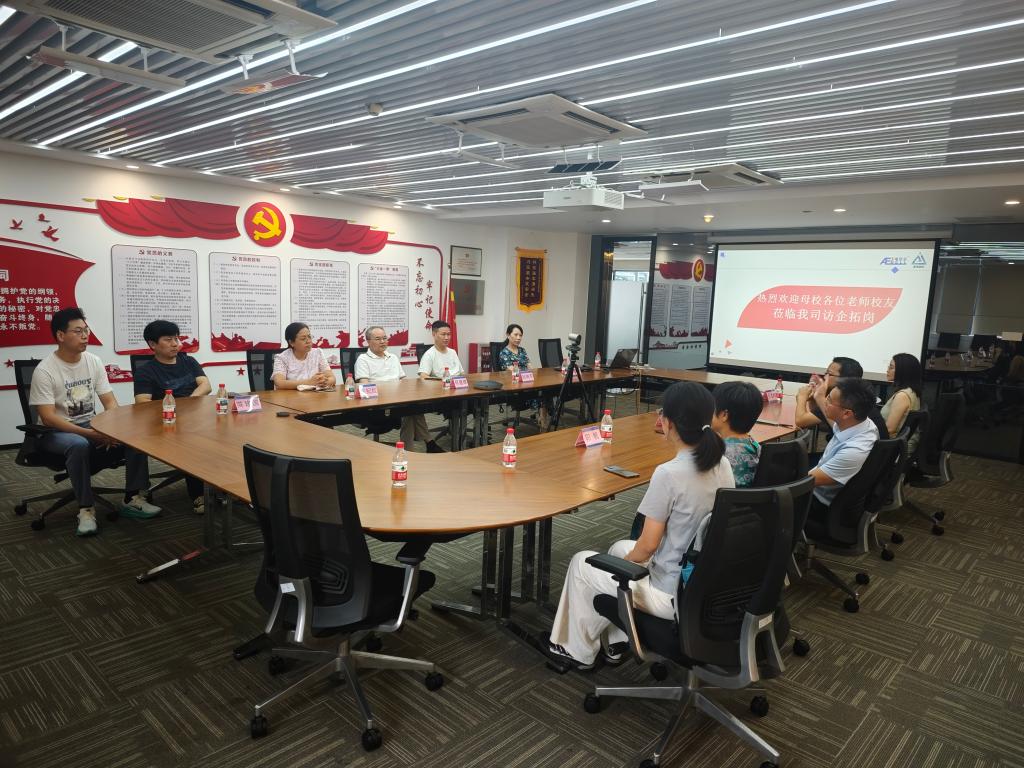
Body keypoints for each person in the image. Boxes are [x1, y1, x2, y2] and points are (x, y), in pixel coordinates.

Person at [546, 381, 735, 670]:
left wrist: (626, 563)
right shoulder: (723, 464)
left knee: (582, 563)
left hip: (671, 593)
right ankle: (617, 642)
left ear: (668, 423)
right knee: (618, 548)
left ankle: (573, 651)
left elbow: (647, 547)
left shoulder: (669, 474)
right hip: (705, 583)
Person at [28, 307, 160, 537]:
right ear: (60, 335)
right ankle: (86, 509)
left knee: (134, 433)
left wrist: (115, 428)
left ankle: (132, 498)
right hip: (54, 432)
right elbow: (48, 417)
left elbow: (109, 401)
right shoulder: (45, 370)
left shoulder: (93, 361)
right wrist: (90, 434)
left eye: (86, 330)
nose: (85, 336)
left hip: (90, 424)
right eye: (78, 331)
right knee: (78, 444)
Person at [133, 319, 211, 514]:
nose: (176, 344)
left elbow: (205, 385)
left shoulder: (188, 361)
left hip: (196, 417)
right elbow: (142, 402)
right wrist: (176, 409)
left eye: (176, 338)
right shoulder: (146, 371)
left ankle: (230, 485)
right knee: (193, 440)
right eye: (168, 340)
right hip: (169, 424)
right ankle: (199, 495)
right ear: (152, 344)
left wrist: (189, 401)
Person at [355, 325, 442, 452]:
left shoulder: (393, 357)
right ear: (368, 341)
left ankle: (412, 449)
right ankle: (426, 443)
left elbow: (403, 381)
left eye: (385, 338)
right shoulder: (363, 359)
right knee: (411, 411)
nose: (383, 341)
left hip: (398, 401)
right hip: (377, 405)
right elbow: (364, 385)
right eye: (378, 339)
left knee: (413, 408)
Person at [807, 377, 880, 518]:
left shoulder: (855, 450)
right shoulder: (861, 423)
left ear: (847, 413)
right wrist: (818, 396)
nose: (825, 401)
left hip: (821, 505)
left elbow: (806, 482)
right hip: (824, 489)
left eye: (829, 400)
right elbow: (831, 420)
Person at [495, 323, 550, 430]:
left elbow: (530, 367)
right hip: (514, 384)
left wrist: (533, 374)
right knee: (540, 391)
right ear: (508, 335)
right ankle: (542, 418)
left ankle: (543, 416)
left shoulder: (522, 350)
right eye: (515, 335)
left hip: (527, 381)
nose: (518, 338)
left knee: (546, 388)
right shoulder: (504, 353)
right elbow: (512, 370)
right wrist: (526, 375)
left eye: (520, 335)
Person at [712, 381, 763, 488]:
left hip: (723, 498)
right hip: (749, 497)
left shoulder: (718, 453)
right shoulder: (756, 446)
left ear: (724, 415)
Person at [271, 322, 335, 390]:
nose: (308, 341)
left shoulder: (318, 353)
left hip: (314, 395)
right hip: (291, 396)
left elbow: (332, 378)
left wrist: (324, 382)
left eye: (309, 337)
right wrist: (309, 382)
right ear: (291, 342)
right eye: (303, 339)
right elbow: (279, 383)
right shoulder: (282, 358)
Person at [881, 353, 923, 443]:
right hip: (899, 442)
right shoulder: (911, 390)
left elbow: (889, 429)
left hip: (894, 445)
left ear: (903, 372)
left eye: (891, 367)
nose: (887, 370)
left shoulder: (902, 396)